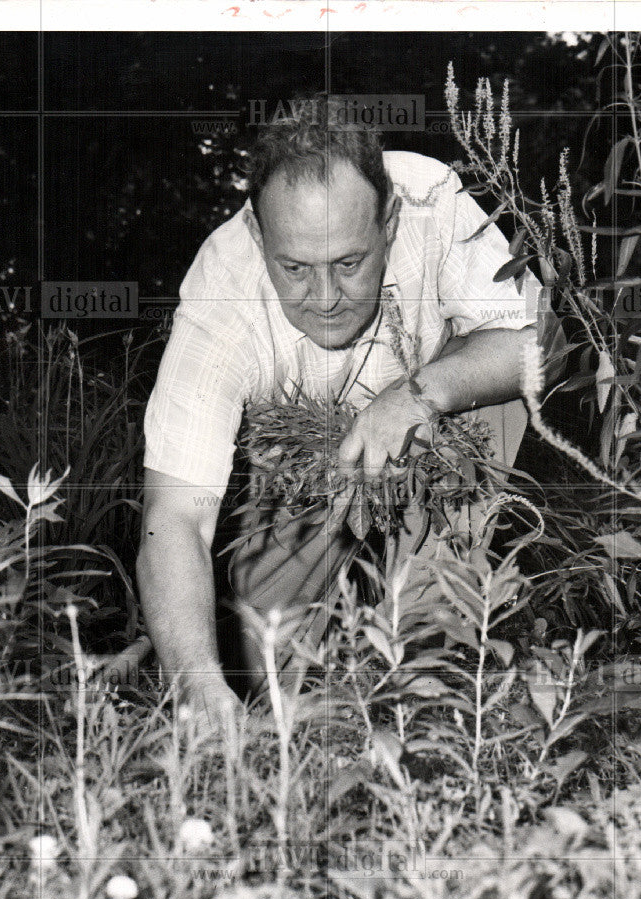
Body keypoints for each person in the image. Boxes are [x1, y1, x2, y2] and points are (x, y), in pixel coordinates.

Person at [137, 97, 551, 729]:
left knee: (495, 406)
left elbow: (537, 344)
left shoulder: (430, 199)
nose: (325, 299)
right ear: (257, 234)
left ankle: (423, 664)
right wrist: (198, 688)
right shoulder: (220, 298)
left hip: (434, 420)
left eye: (349, 264)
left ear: (387, 222)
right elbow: (176, 519)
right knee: (262, 657)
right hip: (299, 451)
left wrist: (419, 395)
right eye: (295, 268)